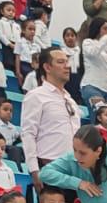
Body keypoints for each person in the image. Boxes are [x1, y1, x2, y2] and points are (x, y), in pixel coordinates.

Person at [19, 46, 80, 177]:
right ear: (47, 67)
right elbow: (28, 134)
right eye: (60, 62)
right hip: (49, 166)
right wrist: (34, 170)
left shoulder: (71, 101)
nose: (67, 66)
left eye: (67, 61)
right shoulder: (36, 96)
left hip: (73, 169)